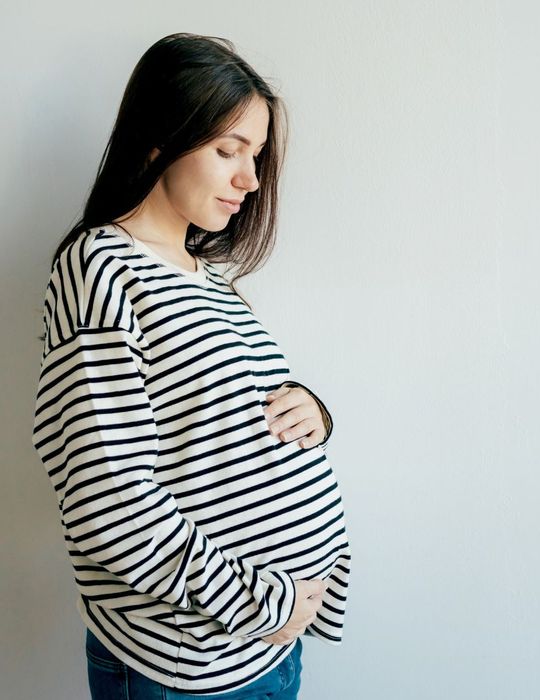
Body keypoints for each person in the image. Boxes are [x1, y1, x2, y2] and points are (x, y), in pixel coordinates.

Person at [30, 32, 351, 699]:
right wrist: (261, 602)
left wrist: (314, 412)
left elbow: (214, 419)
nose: (250, 179)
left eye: (256, 155)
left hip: (261, 652)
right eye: (227, 150)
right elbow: (107, 501)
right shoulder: (100, 268)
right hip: (190, 665)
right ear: (157, 139)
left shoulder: (207, 279)